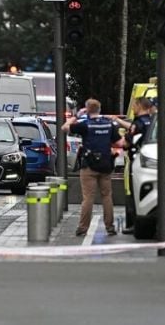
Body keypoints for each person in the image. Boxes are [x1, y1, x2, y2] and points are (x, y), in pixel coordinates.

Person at [61, 98, 123, 238]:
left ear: (87, 110)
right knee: (107, 196)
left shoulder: (85, 125)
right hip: (106, 165)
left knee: (88, 198)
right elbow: (120, 142)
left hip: (88, 166)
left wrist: (76, 115)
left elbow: (64, 127)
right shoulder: (109, 125)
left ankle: (83, 228)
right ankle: (110, 227)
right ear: (99, 109)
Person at [107, 97, 154, 234]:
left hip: (137, 161)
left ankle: (135, 224)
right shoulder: (151, 121)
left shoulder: (138, 123)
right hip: (150, 161)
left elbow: (126, 143)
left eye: (134, 105)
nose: (133, 107)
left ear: (140, 106)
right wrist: (118, 120)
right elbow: (133, 127)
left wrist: (109, 142)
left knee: (134, 194)